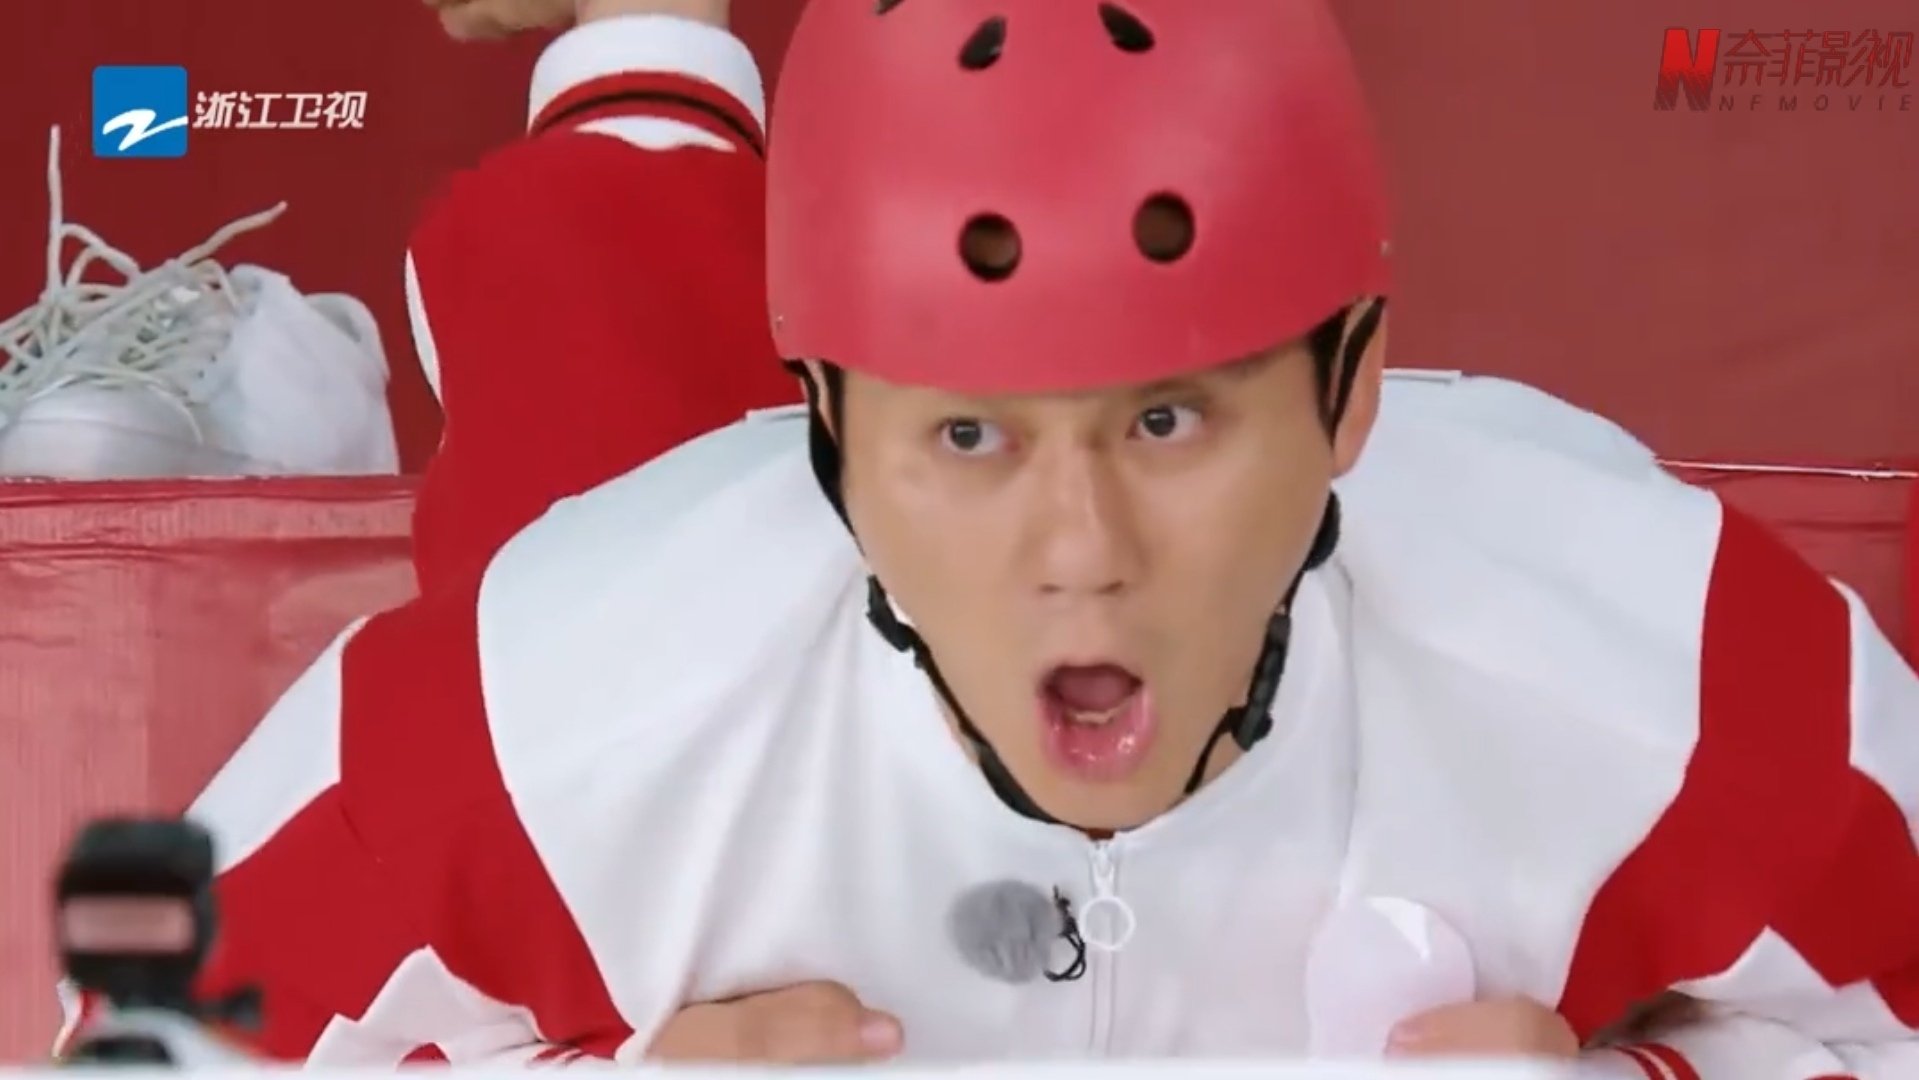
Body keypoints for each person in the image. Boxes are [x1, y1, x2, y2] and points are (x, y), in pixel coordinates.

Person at [99, 0, 1919, 1075]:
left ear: (1352, 391)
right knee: (600, 348)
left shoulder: (1663, 659)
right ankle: (644, 40)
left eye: (1168, 421)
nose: (1081, 552)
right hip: (695, 601)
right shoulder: (561, 697)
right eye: (973, 436)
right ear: (823, 432)